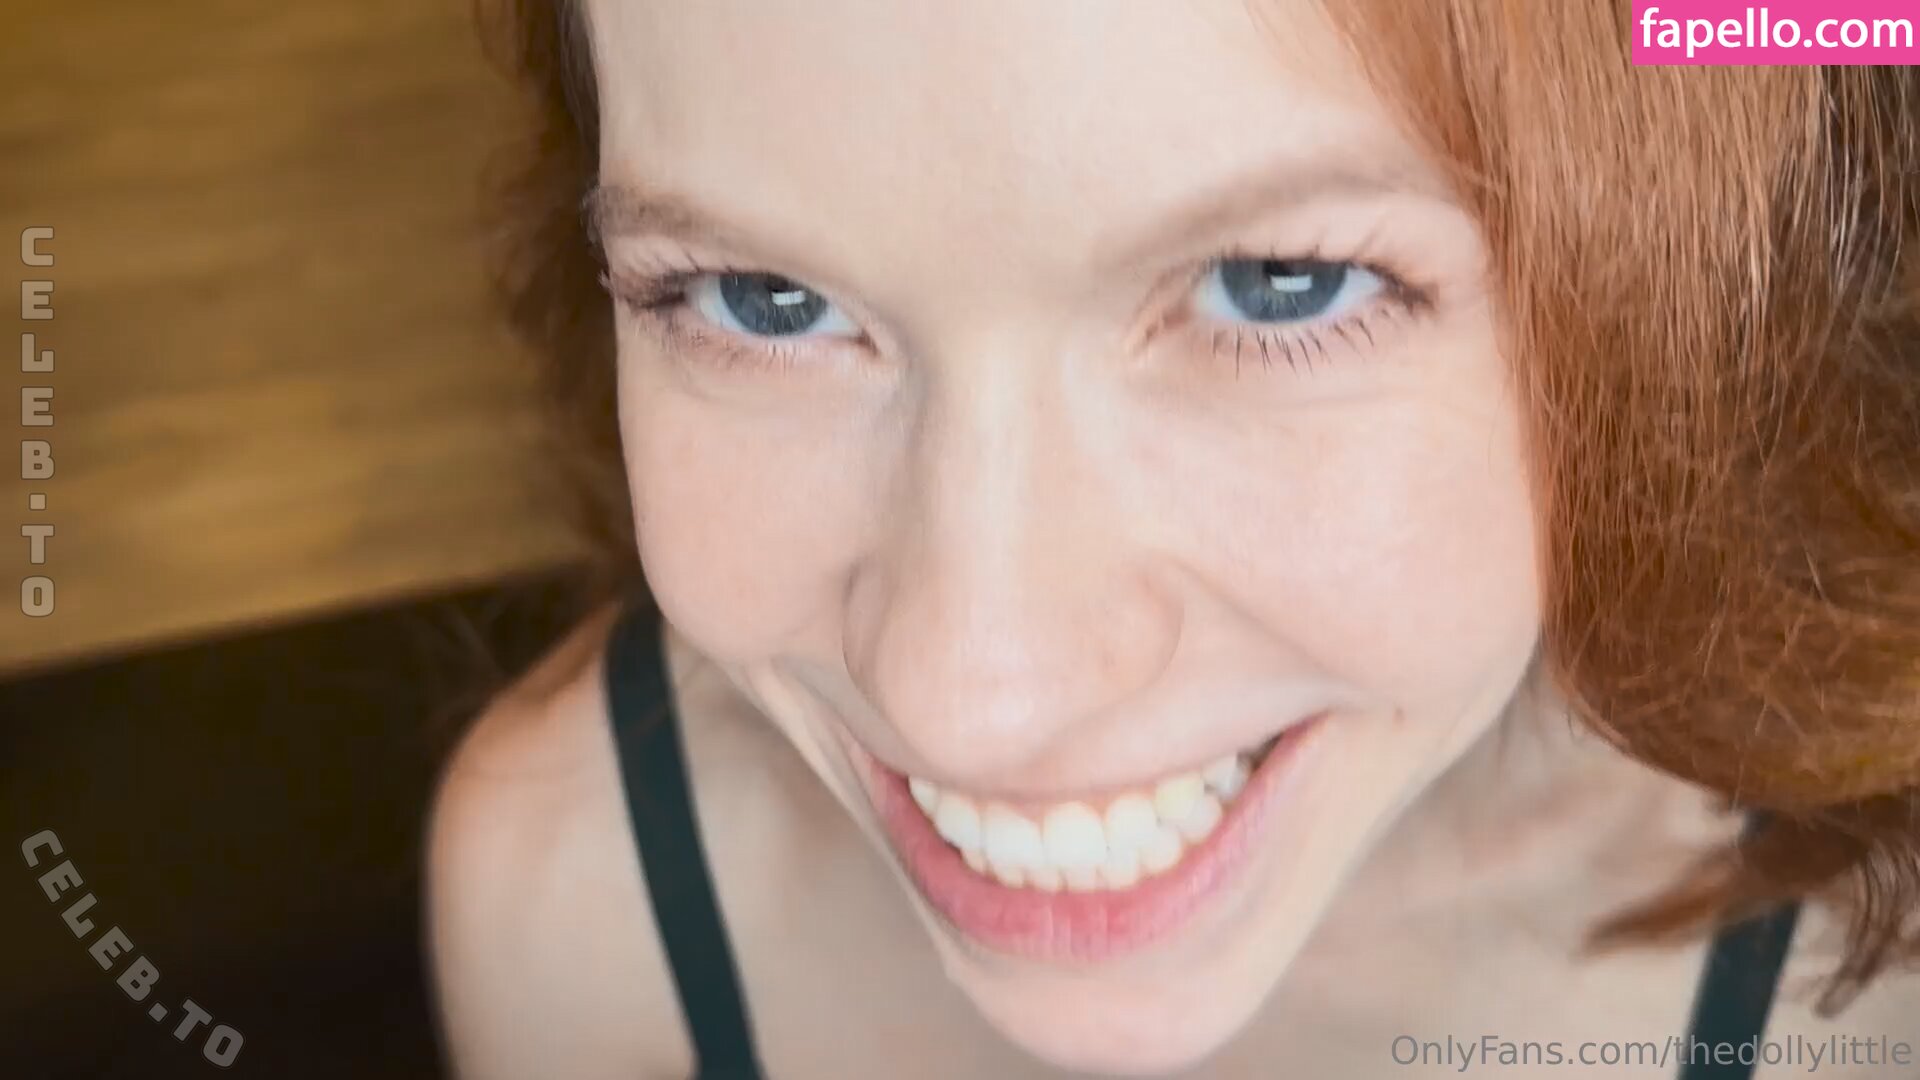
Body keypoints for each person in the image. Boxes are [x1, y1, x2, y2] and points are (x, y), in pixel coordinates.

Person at [425, 1, 1920, 1076]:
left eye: (1276, 285)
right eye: (765, 301)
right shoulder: (583, 912)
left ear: (1720, 262)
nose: (972, 696)